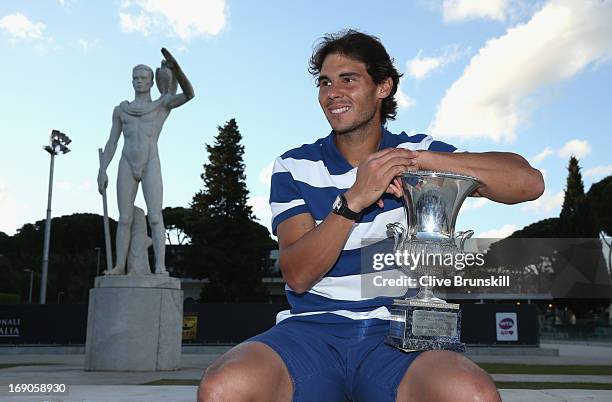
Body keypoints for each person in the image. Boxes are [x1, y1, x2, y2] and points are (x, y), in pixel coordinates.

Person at [198, 30, 544, 402]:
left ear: (383, 87)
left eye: (349, 79)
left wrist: (415, 162)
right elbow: (297, 275)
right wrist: (354, 200)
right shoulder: (295, 166)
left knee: (472, 394)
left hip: (401, 336)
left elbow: (528, 182)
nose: (333, 93)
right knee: (222, 387)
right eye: (325, 83)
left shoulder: (419, 152)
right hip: (312, 332)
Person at [97, 48, 195, 275]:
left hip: (150, 161)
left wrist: (176, 68)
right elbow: (112, 142)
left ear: (152, 82)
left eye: (143, 78)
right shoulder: (121, 110)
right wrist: (103, 169)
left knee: (155, 216)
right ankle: (120, 266)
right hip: (126, 162)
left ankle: (160, 266)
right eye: (135, 78)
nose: (139, 82)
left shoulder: (162, 105)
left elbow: (190, 94)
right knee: (124, 218)